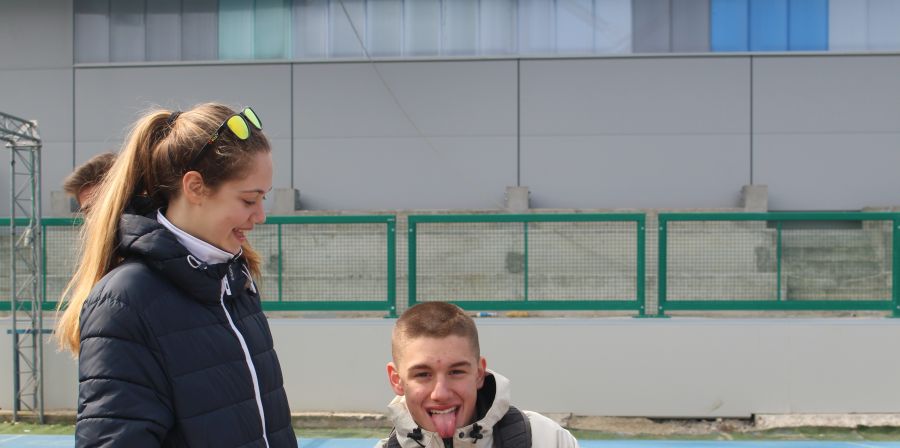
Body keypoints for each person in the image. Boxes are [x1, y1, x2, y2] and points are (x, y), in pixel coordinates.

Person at [56, 103, 297, 448]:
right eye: (248, 200)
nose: (260, 216)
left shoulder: (234, 279)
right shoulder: (126, 300)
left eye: (263, 198)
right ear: (195, 187)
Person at [378, 302, 579, 447]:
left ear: (479, 373)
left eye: (456, 371)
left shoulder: (546, 440)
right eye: (423, 374)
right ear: (396, 380)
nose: (441, 394)